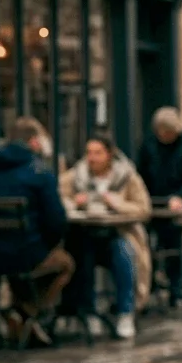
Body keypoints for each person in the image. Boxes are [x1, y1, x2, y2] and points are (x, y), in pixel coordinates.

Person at [0, 118, 74, 344]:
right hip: (25, 255)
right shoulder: (40, 172)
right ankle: (26, 312)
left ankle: (17, 318)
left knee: (26, 258)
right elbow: (56, 223)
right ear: (34, 142)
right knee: (64, 263)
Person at [59, 136, 152, 339]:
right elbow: (59, 199)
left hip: (117, 233)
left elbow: (144, 208)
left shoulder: (127, 176)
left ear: (109, 155)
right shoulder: (75, 176)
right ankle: (89, 311)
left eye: (98, 153)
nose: (92, 158)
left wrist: (118, 204)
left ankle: (125, 312)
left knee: (124, 253)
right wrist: (74, 202)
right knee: (82, 253)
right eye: (89, 153)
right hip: (85, 234)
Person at [136, 107, 182, 305]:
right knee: (145, 245)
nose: (166, 136)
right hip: (152, 201)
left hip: (177, 204)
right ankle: (148, 285)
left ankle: (177, 289)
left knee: (173, 246)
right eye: (162, 133)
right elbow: (140, 173)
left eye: (169, 133)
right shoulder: (149, 145)